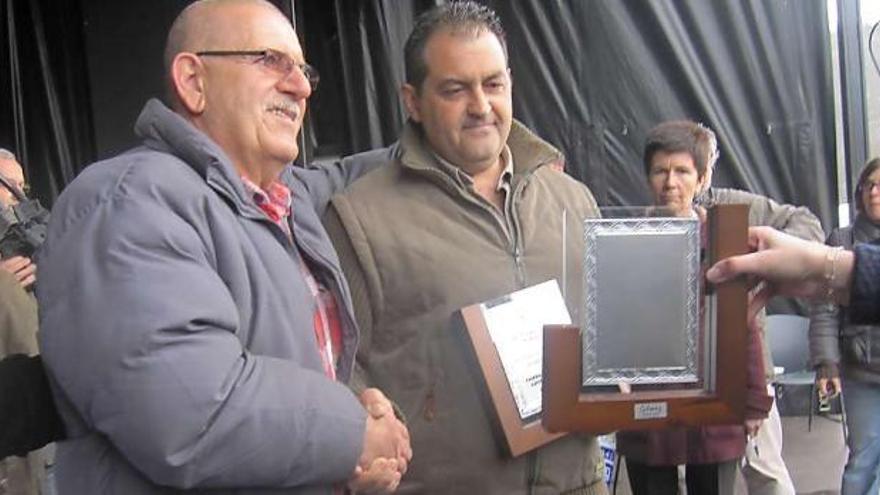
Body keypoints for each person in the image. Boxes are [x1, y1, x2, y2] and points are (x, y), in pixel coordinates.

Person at [36, 1, 410, 493]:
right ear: (193, 81)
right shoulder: (126, 202)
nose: (299, 86)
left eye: (303, 70)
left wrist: (474, 132)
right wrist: (356, 434)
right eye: (269, 60)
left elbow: (351, 174)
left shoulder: (280, 196)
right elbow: (191, 413)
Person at [323, 3, 608, 493]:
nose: (481, 105)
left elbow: (613, 336)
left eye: (493, 84)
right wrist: (359, 438)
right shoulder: (359, 220)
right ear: (412, 101)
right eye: (455, 89)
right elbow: (336, 370)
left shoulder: (573, 200)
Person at [619, 120, 802, 495]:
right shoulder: (623, 241)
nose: (670, 182)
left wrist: (752, 403)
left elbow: (744, 323)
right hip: (648, 404)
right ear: (647, 177)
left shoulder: (724, 240)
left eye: (682, 171)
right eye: (660, 171)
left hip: (715, 404)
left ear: (702, 179)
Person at [809, 157, 880, 495]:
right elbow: (823, 307)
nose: (875, 192)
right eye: (870, 185)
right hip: (861, 371)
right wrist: (826, 363)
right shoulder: (842, 240)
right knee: (863, 458)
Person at [0, 148, 56, 494]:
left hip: (43, 435)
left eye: (24, 186)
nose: (20, 197)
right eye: (9, 185)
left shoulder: (30, 239)